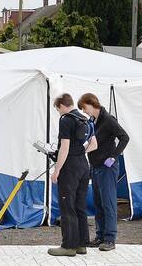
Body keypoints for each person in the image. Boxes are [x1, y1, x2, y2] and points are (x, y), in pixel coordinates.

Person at [78, 93, 130, 252]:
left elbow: (124, 137)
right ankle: (100, 236)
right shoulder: (93, 121)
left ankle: (110, 238)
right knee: (98, 202)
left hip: (107, 167)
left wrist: (114, 156)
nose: (84, 112)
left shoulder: (108, 120)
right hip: (95, 166)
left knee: (108, 203)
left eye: (85, 108)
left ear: (92, 104)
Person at [49, 93, 96, 257]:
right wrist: (80, 152)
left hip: (70, 168)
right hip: (84, 165)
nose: (59, 113)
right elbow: (94, 144)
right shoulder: (85, 119)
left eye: (57, 110)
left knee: (67, 205)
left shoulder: (66, 120)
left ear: (61, 106)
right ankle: (82, 244)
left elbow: (64, 147)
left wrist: (56, 171)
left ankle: (68, 246)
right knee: (79, 205)